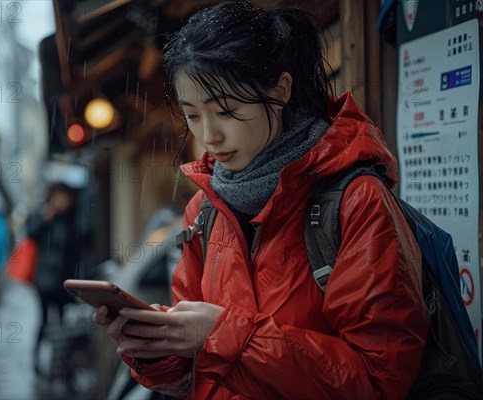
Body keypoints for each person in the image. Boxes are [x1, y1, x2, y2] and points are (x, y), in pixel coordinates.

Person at [94, 1, 429, 399]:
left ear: (281, 89)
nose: (209, 136)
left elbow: (378, 382)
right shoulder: (204, 211)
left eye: (226, 110)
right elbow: (194, 378)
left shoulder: (355, 201)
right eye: (193, 115)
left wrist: (224, 336)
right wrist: (154, 350)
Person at [27, 182, 81, 375]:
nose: (62, 201)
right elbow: (30, 233)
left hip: (64, 282)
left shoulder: (72, 220)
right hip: (43, 280)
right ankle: (36, 360)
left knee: (61, 322)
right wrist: (45, 218)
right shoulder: (45, 215)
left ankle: (58, 363)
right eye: (59, 197)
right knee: (43, 320)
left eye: (65, 197)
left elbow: (77, 252)